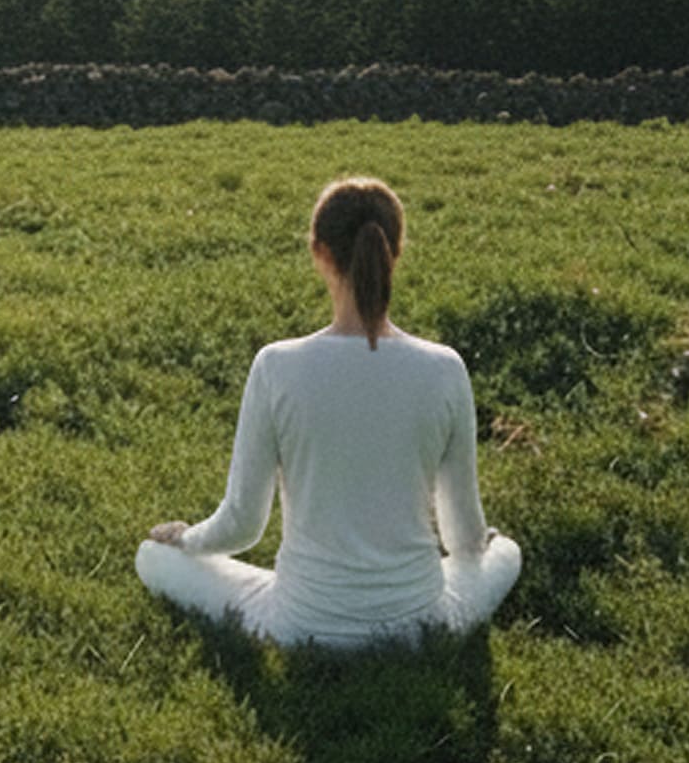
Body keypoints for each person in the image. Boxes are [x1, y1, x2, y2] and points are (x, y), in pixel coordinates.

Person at [136, 176, 521, 649]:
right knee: (505, 552)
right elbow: (463, 541)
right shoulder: (445, 369)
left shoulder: (276, 366)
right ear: (396, 251)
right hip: (421, 625)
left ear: (318, 253)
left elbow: (241, 525)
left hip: (298, 625)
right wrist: (480, 547)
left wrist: (185, 540)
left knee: (152, 556)